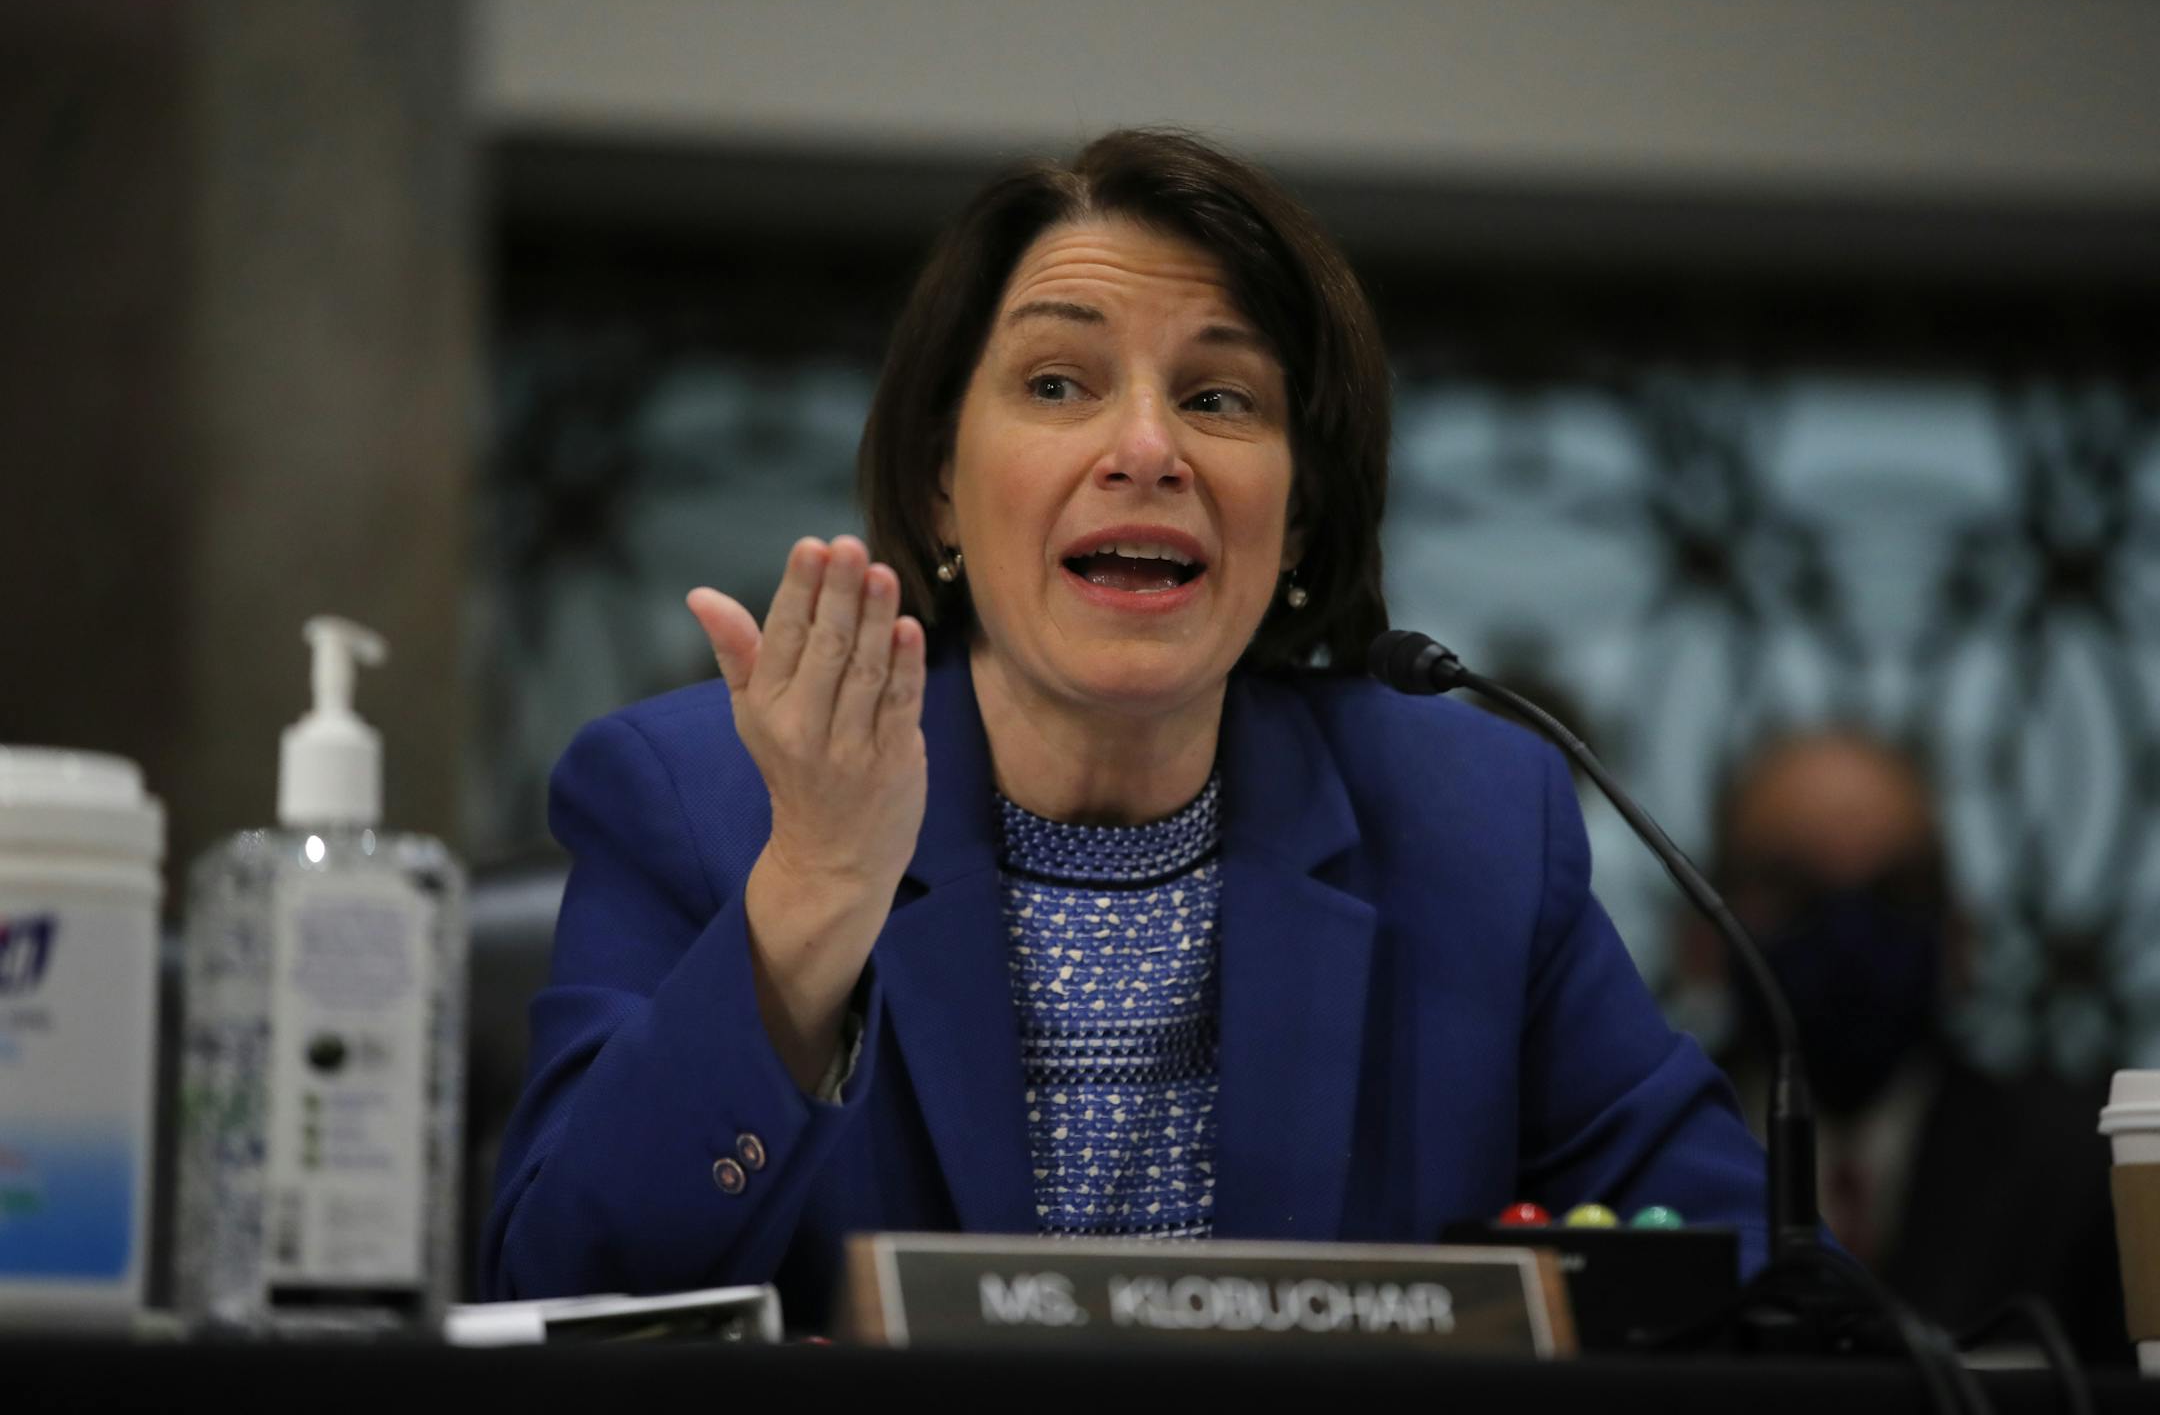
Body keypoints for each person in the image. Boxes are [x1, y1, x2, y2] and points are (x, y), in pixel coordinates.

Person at [482, 129, 1771, 1326]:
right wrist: (813, 897)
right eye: (1058, 382)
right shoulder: (704, 797)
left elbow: (1739, 1266)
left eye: (1220, 400)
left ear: (1303, 521)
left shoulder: (1466, 818)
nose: (1147, 447)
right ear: (942, 481)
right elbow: (556, 1293)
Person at [1670, 729, 2124, 1358]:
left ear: (1959, 935)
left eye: (1897, 891)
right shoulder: (1646, 1165)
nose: (1850, 933)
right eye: (1791, 889)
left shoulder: (2082, 1174)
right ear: (1702, 939)